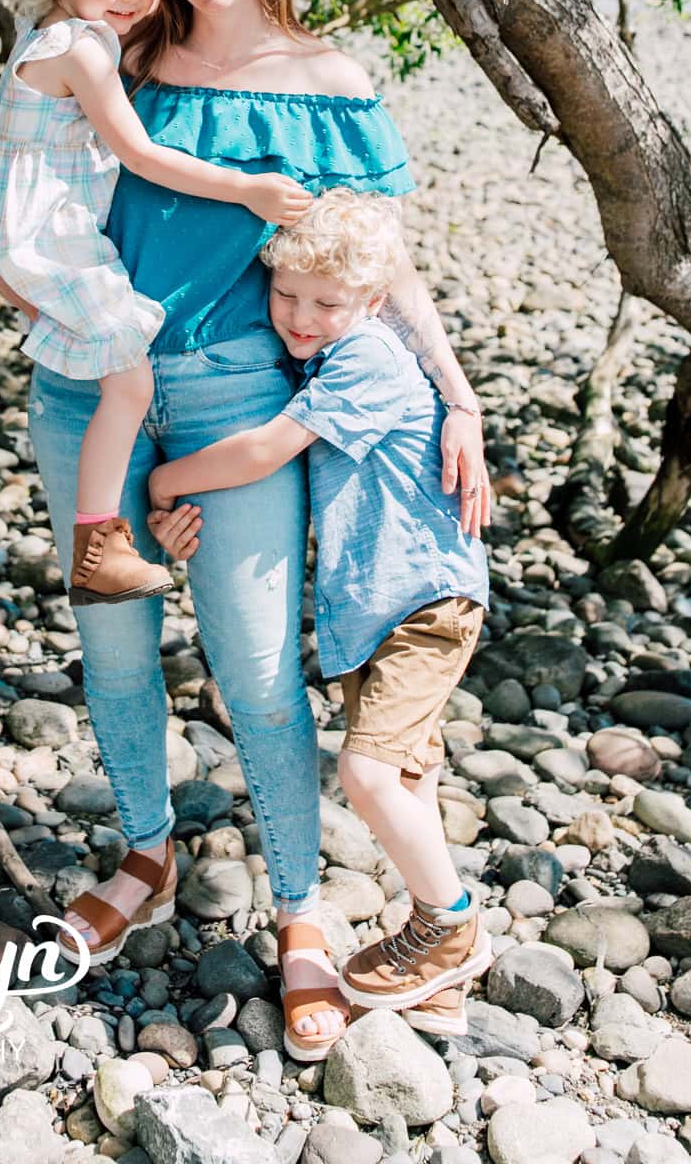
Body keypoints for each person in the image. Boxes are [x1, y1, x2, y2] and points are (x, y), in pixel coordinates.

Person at [20, 0, 490, 1056]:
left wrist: (456, 391)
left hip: (237, 399)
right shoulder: (117, 53)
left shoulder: (329, 80)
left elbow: (384, 259)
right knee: (113, 645)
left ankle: (298, 903)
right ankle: (145, 852)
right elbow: (30, 180)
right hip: (90, 379)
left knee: (261, 667)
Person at [147, 187, 491, 1038]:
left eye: (326, 303)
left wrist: (164, 481)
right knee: (409, 777)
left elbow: (268, 449)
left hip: (421, 597)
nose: (300, 317)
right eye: (286, 295)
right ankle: (436, 977)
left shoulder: (369, 355)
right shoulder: (326, 351)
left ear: (372, 303)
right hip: (374, 607)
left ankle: (451, 925)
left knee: (367, 776)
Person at [0, 0, 312, 606]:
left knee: (119, 379)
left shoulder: (60, 34)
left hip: (36, 229)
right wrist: (246, 190)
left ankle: (104, 540)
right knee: (128, 381)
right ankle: (100, 545)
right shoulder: (77, 48)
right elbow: (137, 153)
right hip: (46, 237)